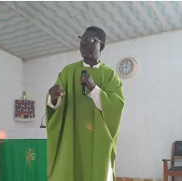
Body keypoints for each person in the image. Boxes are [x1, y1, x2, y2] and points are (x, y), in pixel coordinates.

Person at [45, 26, 125, 181]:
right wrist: (53, 97)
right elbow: (53, 105)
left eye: (89, 40)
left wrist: (94, 88)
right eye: (82, 39)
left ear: (101, 45)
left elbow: (116, 106)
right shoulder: (69, 71)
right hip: (71, 138)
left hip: (99, 140)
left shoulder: (110, 75)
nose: (83, 44)